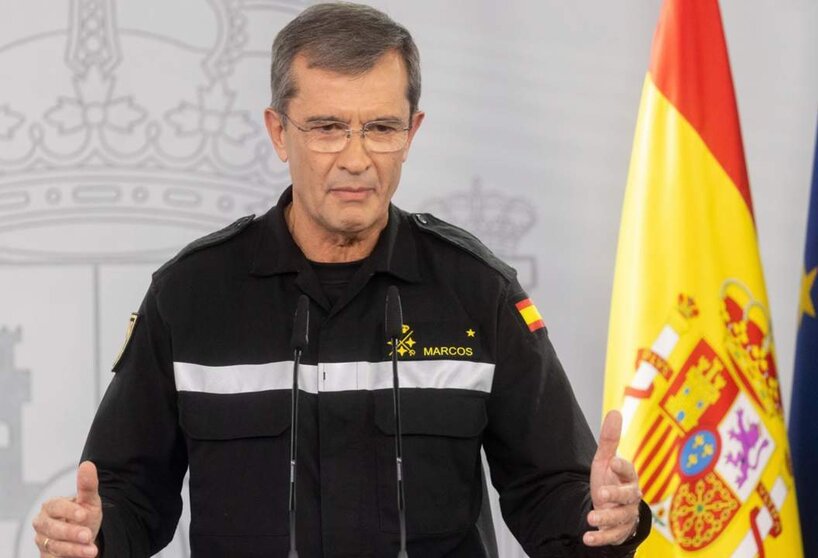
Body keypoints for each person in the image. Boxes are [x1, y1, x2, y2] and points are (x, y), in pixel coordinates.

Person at [31, 3, 651, 557]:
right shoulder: (189, 295)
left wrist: (603, 520)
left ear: (412, 132)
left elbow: (552, 491)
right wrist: (96, 535)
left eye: (381, 127)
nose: (356, 158)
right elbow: (130, 491)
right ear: (279, 132)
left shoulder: (478, 291)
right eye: (327, 127)